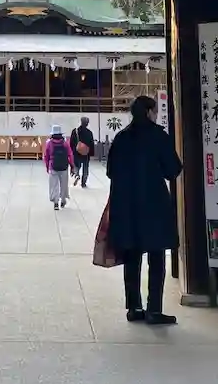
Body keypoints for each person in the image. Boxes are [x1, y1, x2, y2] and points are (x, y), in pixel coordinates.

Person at [106, 94, 182, 325]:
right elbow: (173, 170)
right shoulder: (158, 136)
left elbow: (110, 171)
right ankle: (154, 310)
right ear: (149, 112)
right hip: (154, 206)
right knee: (156, 258)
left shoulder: (121, 137)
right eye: (155, 111)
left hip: (126, 206)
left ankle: (134, 307)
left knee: (131, 257)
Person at [44, 124, 72, 209]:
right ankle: (63, 200)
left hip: (53, 166)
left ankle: (55, 202)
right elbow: (70, 154)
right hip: (64, 167)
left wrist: (47, 166)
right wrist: (72, 165)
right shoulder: (65, 143)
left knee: (54, 185)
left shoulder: (49, 143)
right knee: (63, 184)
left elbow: (46, 156)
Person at [70, 116, 96, 188]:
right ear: (87, 123)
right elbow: (91, 144)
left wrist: (73, 151)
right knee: (85, 168)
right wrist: (91, 154)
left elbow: (71, 143)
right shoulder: (89, 133)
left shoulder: (75, 131)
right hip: (86, 154)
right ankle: (83, 183)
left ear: (81, 122)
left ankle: (77, 175)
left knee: (76, 166)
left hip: (76, 153)